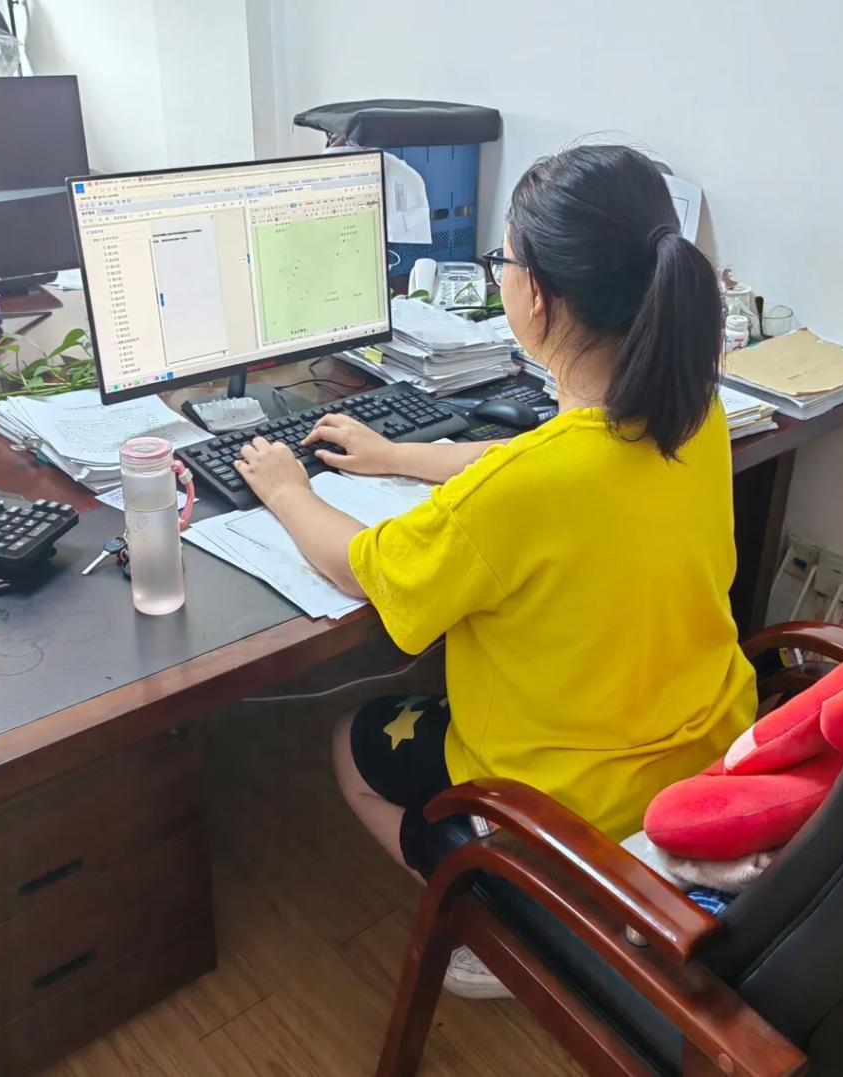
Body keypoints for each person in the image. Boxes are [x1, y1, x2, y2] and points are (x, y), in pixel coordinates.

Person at [235, 144, 757, 998]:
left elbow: (359, 568)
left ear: (536, 295)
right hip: (699, 757)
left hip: (562, 805)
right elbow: (541, 461)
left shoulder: (524, 490)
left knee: (349, 741)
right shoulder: (694, 412)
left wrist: (285, 486)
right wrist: (399, 454)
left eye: (502, 261)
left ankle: (502, 922)